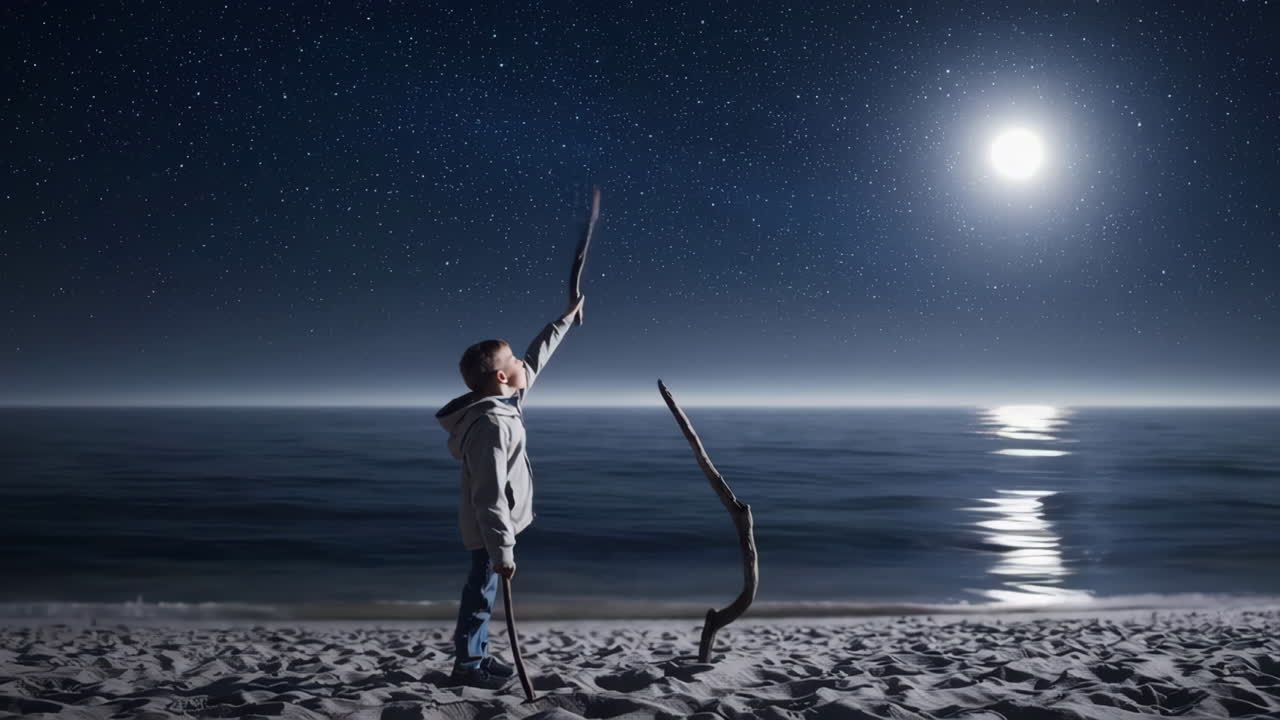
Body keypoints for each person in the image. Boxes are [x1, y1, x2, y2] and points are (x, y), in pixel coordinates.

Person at [435, 294, 585, 689]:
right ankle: (467, 666)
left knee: (484, 592)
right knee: (481, 594)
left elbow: (536, 357)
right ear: (501, 377)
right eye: (513, 359)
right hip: (489, 529)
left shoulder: (507, 401)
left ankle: (478, 654)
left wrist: (564, 319)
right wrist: (503, 550)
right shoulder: (491, 426)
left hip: (497, 526)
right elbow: (488, 496)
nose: (522, 363)